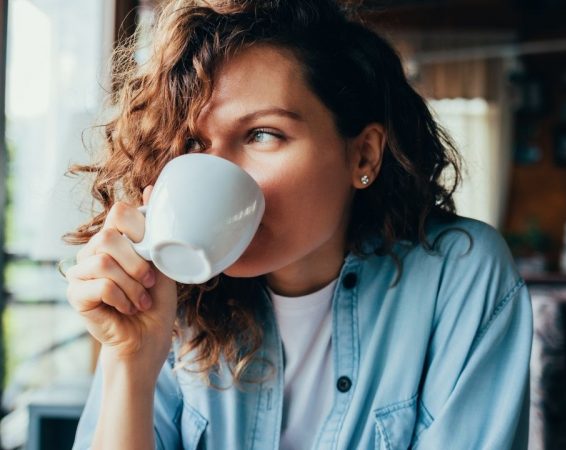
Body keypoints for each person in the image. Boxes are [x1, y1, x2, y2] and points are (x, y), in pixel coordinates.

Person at [65, 0, 533, 449]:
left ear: (363, 154)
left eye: (262, 134)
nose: (218, 172)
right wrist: (130, 363)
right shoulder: (169, 297)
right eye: (193, 142)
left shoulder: (459, 276)